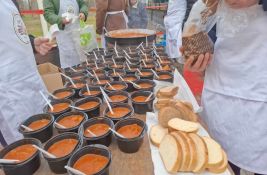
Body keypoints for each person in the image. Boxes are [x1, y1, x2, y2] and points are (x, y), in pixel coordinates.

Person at [184, 0, 267, 174]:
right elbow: (208, 38)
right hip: (219, 97)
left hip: (259, 98)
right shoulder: (212, 5)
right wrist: (200, 59)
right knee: (218, 161)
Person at [0, 0, 53, 146]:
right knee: (23, 149)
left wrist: (30, 42)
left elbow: (12, 32)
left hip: (30, 77)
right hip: (8, 93)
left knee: (47, 133)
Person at [43, 0, 88, 68]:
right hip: (64, 36)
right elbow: (48, 13)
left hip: (79, 33)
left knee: (84, 61)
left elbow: (83, 4)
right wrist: (60, 20)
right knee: (70, 66)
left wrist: (83, 12)